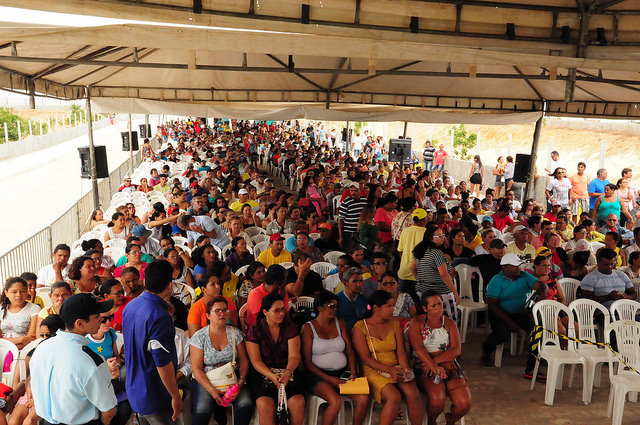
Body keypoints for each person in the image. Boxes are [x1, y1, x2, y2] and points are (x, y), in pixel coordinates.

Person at [30, 293, 117, 425]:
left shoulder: (41, 348)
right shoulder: (92, 361)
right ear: (80, 324)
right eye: (97, 316)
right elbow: (108, 411)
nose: (101, 319)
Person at [123, 260, 183, 425]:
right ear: (170, 285)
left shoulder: (131, 306)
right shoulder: (160, 316)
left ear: (144, 281)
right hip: (156, 395)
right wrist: (175, 396)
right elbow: (162, 362)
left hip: (135, 390)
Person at [352, 291, 423, 425]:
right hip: (373, 369)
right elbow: (365, 358)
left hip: (396, 366)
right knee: (393, 397)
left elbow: (401, 351)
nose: (393, 310)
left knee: (413, 394)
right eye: (388, 306)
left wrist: (406, 368)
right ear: (375, 308)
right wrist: (388, 370)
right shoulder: (360, 327)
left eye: (393, 306)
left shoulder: (395, 323)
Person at [301, 290, 369, 425]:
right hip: (318, 376)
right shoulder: (308, 328)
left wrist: (353, 372)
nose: (335, 309)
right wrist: (329, 379)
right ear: (320, 308)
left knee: (363, 398)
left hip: (342, 374)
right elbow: (307, 361)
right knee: (335, 401)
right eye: (331, 306)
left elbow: (350, 351)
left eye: (336, 306)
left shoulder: (340, 323)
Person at [480, 253, 547, 379]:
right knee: (501, 334)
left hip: (519, 313)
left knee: (537, 331)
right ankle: (487, 350)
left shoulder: (524, 276)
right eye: (515, 266)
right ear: (505, 267)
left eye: (519, 265)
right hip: (499, 312)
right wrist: (510, 323)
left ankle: (532, 367)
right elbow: (492, 305)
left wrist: (541, 298)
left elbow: (541, 286)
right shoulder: (496, 280)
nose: (518, 268)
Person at [409, 292, 471, 425]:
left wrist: (436, 363)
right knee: (438, 399)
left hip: (447, 363)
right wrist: (432, 366)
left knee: (464, 403)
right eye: (433, 305)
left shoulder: (449, 323)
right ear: (425, 308)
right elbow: (418, 348)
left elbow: (456, 350)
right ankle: (432, 422)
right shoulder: (417, 322)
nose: (438, 307)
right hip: (424, 363)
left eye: (440, 304)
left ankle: (450, 419)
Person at [189, 296, 253, 425]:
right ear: (208, 315)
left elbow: (244, 360)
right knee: (202, 410)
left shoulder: (235, 334)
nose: (222, 314)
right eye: (217, 311)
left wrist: (240, 382)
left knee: (246, 405)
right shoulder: (199, 337)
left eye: (225, 310)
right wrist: (212, 391)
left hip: (232, 378)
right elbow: (196, 369)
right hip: (206, 379)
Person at [246, 293, 305, 425]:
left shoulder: (290, 328)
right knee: (265, 404)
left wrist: (288, 371)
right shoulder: (255, 330)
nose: (281, 313)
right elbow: (256, 361)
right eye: (276, 310)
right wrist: (271, 376)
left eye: (283, 309)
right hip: (263, 374)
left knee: (297, 402)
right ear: (265, 312)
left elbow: (294, 356)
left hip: (289, 372)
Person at [411, 225, 460, 320]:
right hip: (440, 293)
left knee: (429, 320)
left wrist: (421, 280)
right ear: (430, 238)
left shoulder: (420, 251)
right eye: (439, 236)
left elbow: (412, 268)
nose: (443, 238)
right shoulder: (436, 253)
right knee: (449, 320)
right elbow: (444, 274)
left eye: (443, 235)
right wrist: (455, 293)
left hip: (422, 292)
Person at [397, 208, 428, 300]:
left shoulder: (405, 231)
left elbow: (400, 251)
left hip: (404, 272)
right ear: (425, 219)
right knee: (419, 304)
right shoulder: (427, 233)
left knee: (402, 304)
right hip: (419, 274)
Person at [0, 277, 40, 349]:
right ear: (6, 293)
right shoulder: (1, 309)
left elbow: (31, 338)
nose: (18, 295)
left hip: (26, 350)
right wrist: (20, 339)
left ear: (27, 292)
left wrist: (7, 344)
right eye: (14, 292)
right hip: (3, 350)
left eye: (22, 291)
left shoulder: (34, 309)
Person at [338, 183, 369, 252]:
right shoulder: (345, 202)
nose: (353, 193)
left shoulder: (365, 201)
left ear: (360, 190)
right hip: (349, 233)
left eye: (355, 190)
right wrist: (341, 236)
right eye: (351, 190)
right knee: (351, 252)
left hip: (361, 232)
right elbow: (340, 220)